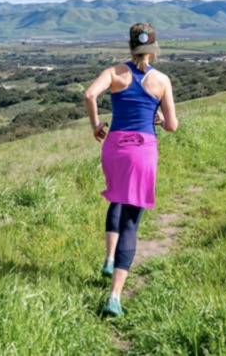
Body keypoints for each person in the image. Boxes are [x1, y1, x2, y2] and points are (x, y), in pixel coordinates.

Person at [83, 22, 178, 317]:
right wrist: (159, 118)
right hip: (143, 150)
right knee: (131, 223)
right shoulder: (161, 80)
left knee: (116, 198)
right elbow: (173, 126)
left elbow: (89, 95)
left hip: (114, 147)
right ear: (154, 49)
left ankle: (109, 258)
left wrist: (96, 124)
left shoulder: (114, 73)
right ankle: (114, 295)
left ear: (130, 46)